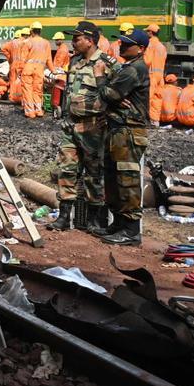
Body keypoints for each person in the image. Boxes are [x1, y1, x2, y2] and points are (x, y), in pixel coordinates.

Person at [49, 21, 118, 231]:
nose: (73, 42)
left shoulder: (107, 64)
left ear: (90, 40)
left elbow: (117, 92)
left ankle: (95, 220)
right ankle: (63, 217)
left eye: (77, 39)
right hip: (71, 127)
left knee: (93, 174)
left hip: (93, 128)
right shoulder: (75, 62)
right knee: (66, 170)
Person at [96, 28, 151, 245]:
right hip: (118, 129)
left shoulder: (134, 69)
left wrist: (101, 79)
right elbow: (114, 95)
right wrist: (113, 96)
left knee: (126, 180)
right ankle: (118, 224)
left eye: (128, 45)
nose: (122, 47)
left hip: (128, 131)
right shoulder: (128, 68)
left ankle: (131, 230)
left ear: (141, 49)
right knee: (114, 179)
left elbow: (110, 94)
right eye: (122, 43)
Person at [20, 21, 53, 119]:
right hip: (39, 71)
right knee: (37, 90)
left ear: (31, 31)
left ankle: (30, 112)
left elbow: (23, 59)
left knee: (27, 90)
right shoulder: (46, 43)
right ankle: (38, 110)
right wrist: (53, 71)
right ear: (40, 31)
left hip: (28, 69)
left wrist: (19, 70)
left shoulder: (27, 42)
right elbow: (49, 60)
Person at [142, 24, 168, 126]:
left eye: (147, 31)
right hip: (160, 76)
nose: (146, 33)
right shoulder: (162, 46)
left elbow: (147, 61)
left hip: (151, 74)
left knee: (147, 98)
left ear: (150, 33)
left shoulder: (150, 44)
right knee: (157, 98)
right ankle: (155, 121)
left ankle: (144, 121)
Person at [50, 32, 71, 110]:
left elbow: (59, 63)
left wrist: (53, 70)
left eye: (56, 40)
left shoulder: (62, 49)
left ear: (61, 40)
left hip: (61, 72)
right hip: (62, 71)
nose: (55, 41)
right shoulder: (62, 47)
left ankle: (55, 103)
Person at [7, 29, 28, 104]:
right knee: (19, 83)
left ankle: (13, 97)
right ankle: (18, 97)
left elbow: (3, 48)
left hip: (14, 65)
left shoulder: (13, 43)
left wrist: (9, 58)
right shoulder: (23, 43)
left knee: (13, 82)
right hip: (19, 66)